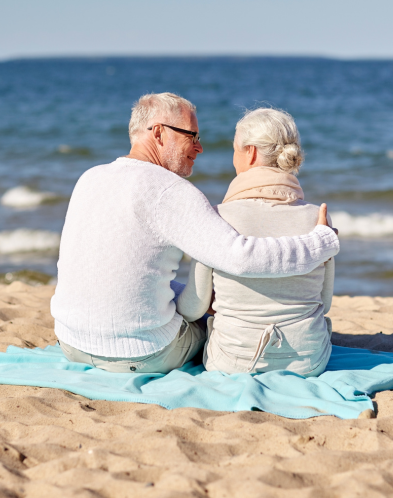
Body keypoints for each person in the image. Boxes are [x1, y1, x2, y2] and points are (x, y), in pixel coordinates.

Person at [51, 93, 339, 374]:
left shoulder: (90, 177)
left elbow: (117, 270)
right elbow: (240, 258)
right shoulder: (171, 191)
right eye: (192, 136)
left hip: (71, 342)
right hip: (141, 354)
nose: (200, 148)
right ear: (159, 133)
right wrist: (320, 243)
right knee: (211, 325)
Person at [177, 107, 335, 376]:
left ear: (250, 152)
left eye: (235, 149)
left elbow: (193, 308)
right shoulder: (317, 219)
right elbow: (324, 301)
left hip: (233, 363)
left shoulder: (218, 218)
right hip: (310, 361)